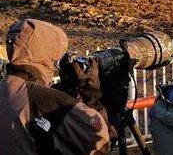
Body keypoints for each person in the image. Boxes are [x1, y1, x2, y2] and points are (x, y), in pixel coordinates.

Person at [0, 18, 110, 155]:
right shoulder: (45, 99)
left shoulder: (6, 88)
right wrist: (90, 94)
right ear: (49, 53)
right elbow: (99, 144)